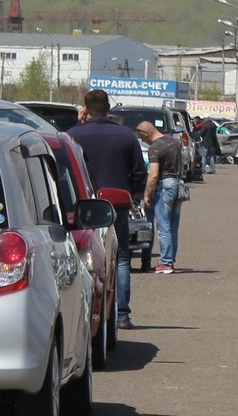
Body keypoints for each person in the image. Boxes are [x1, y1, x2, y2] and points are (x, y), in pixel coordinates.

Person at [67, 89, 148, 329]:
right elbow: (139, 172)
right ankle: (121, 314)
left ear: (85, 107)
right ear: (108, 107)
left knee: (85, 258)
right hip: (117, 205)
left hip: (83, 207)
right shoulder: (125, 136)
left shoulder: (73, 135)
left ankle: (87, 313)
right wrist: (131, 194)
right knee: (121, 257)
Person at [137, 120, 184, 274]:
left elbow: (154, 174)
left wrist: (147, 194)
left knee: (163, 226)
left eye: (143, 138)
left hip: (164, 185)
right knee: (173, 226)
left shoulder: (155, 148)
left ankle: (166, 263)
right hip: (178, 183)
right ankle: (170, 259)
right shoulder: (175, 142)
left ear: (146, 133)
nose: (143, 140)